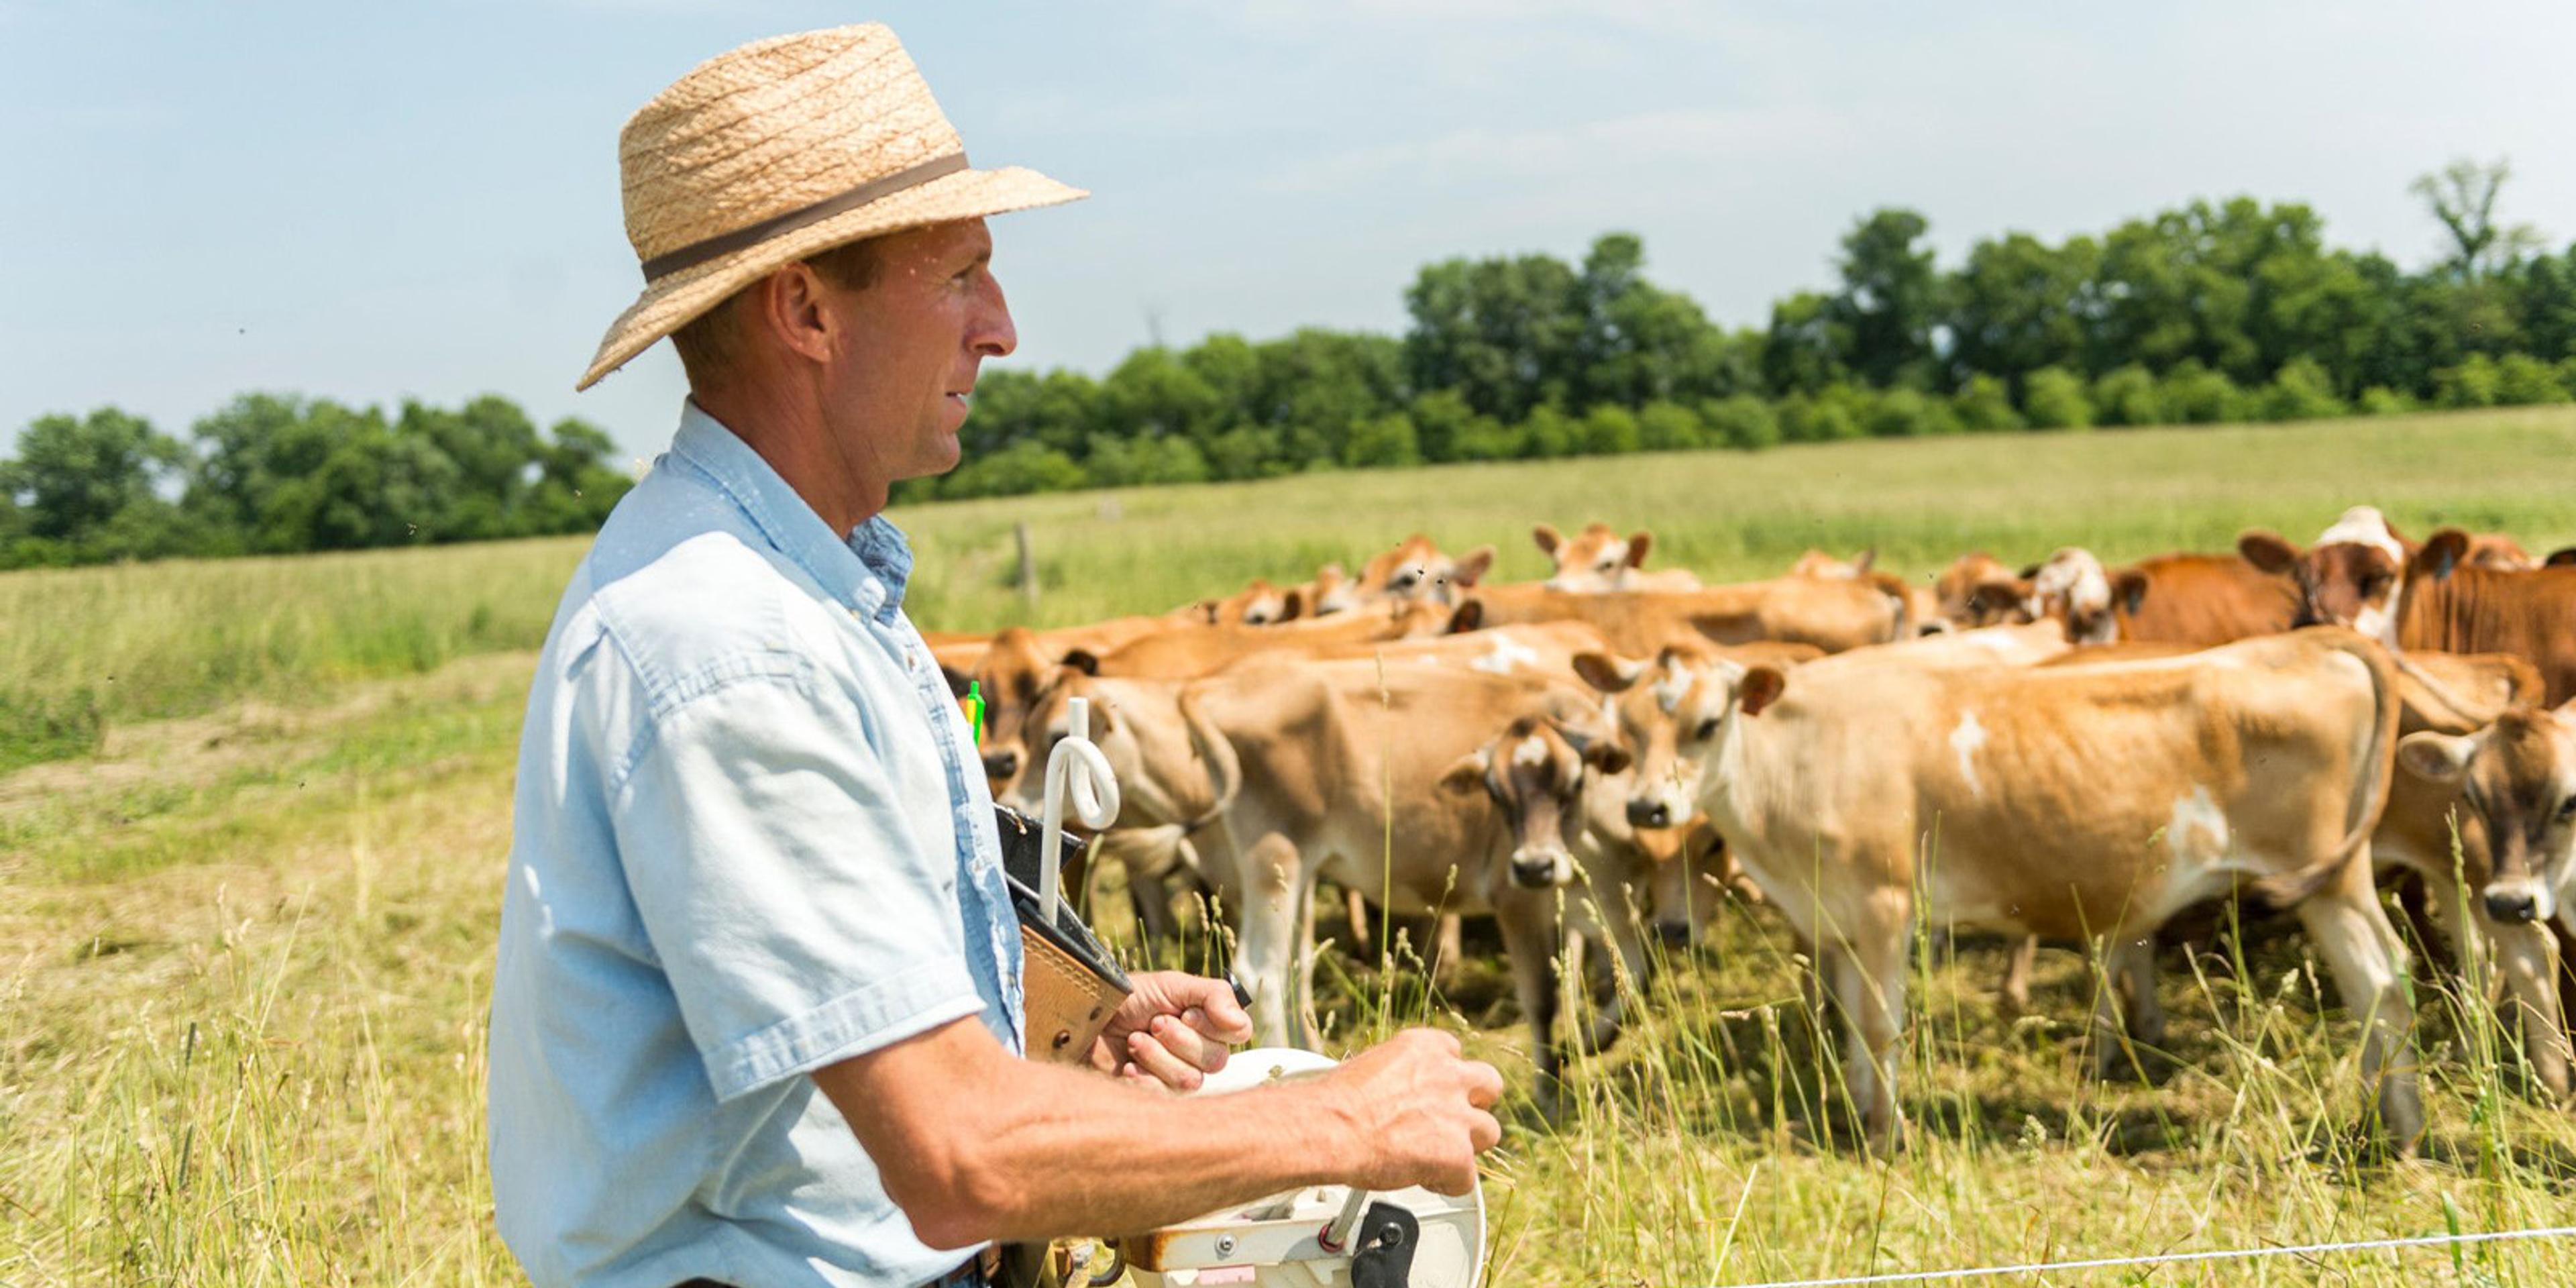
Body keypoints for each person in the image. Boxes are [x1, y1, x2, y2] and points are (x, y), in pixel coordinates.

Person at [486, 25, 1504, 1288]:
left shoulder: (805, 589)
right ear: (805, 307)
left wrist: (1060, 1039)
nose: (1004, 328)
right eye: (962, 274)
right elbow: (955, 1157)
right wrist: (1343, 1121)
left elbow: (829, 1038)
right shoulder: (734, 649)